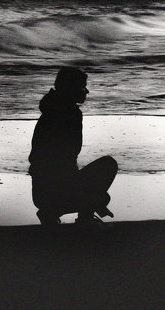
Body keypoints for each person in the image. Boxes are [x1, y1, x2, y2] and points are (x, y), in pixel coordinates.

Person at [28, 66, 118, 228]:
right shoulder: (70, 114)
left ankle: (51, 211)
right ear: (72, 88)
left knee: (98, 196)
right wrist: (92, 201)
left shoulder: (50, 110)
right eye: (83, 87)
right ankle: (84, 220)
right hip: (53, 190)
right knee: (107, 167)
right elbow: (63, 163)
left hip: (41, 193)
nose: (87, 91)